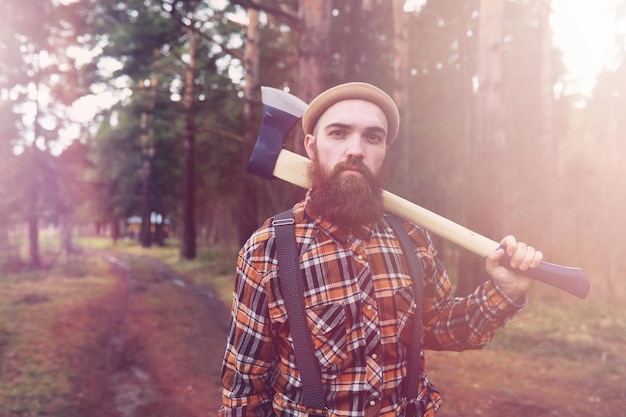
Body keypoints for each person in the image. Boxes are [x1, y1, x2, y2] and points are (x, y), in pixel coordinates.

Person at [219, 82, 543, 417]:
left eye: (372, 137)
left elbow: (437, 327)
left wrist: (503, 293)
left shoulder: (411, 238)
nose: (356, 149)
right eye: (339, 133)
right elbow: (244, 387)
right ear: (311, 147)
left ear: (383, 151)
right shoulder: (269, 250)